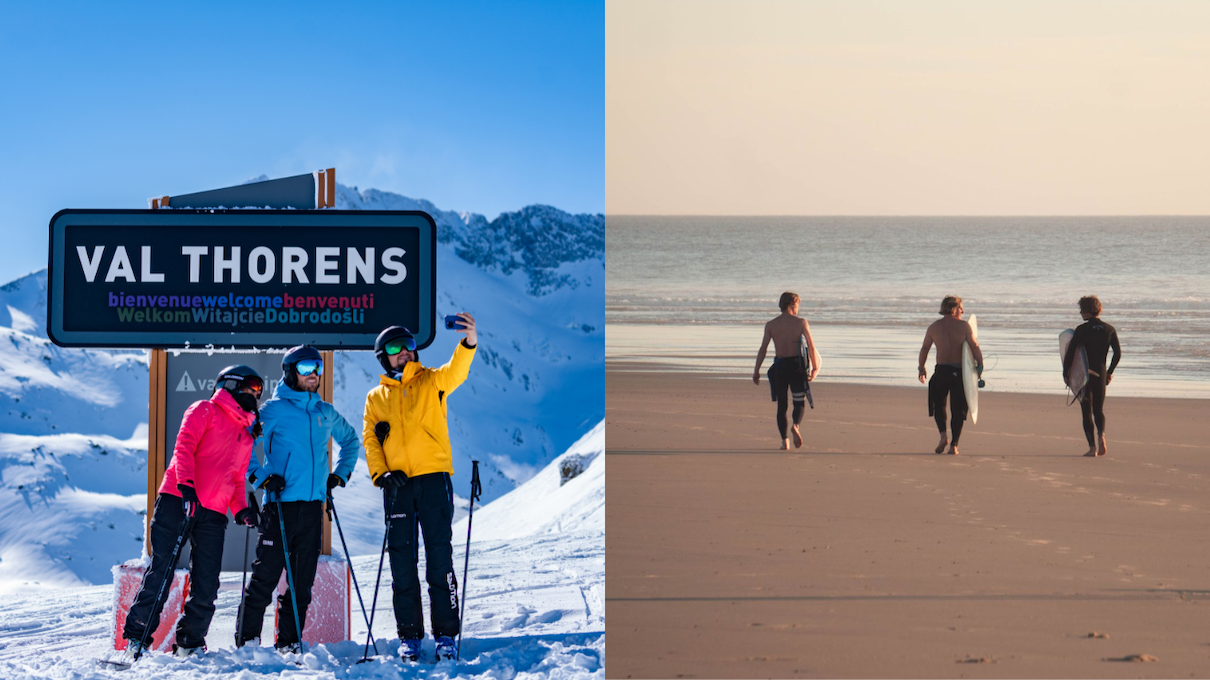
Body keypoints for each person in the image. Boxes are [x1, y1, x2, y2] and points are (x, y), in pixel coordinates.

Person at [122, 365, 263, 659]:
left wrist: (240, 511)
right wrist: (186, 487)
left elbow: (237, 481)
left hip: (212, 513)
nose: (255, 392)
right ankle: (136, 638)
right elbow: (184, 447)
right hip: (179, 499)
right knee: (162, 569)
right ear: (231, 385)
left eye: (259, 389)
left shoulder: (246, 434)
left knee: (207, 582)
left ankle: (190, 643)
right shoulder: (204, 409)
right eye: (251, 385)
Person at [363, 314, 477, 662]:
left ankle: (445, 634)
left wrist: (468, 341)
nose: (405, 352)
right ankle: (409, 636)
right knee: (401, 562)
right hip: (397, 486)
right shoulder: (376, 397)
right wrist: (381, 474)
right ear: (383, 355)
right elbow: (370, 438)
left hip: (433, 480)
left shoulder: (431, 382)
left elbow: (456, 371)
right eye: (396, 348)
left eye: (409, 345)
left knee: (439, 558)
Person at [238, 345, 362, 652]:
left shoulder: (324, 412)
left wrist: (338, 475)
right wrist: (262, 476)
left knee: (301, 585)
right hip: (279, 506)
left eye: (317, 367)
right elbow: (242, 443)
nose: (314, 374)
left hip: (311, 510)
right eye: (306, 368)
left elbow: (351, 442)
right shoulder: (273, 410)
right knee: (265, 579)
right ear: (290, 372)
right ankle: (248, 642)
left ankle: (289, 643)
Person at [753, 292, 820, 450]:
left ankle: (784, 441)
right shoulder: (801, 323)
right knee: (798, 401)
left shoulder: (771, 325)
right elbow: (811, 346)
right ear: (792, 305)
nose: (799, 308)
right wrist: (815, 368)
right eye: (798, 305)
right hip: (797, 367)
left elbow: (763, 349)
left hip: (780, 367)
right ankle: (796, 425)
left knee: (781, 406)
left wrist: (756, 370)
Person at [918, 296, 983, 455]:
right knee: (958, 409)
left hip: (941, 371)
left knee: (939, 405)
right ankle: (954, 445)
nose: (963, 310)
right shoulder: (964, 327)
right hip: (960, 373)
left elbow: (925, 348)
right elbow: (974, 346)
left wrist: (921, 368)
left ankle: (942, 436)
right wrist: (980, 366)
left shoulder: (934, 327)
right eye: (961, 307)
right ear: (955, 308)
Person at [1062, 295, 1121, 457]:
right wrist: (1109, 372)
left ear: (1087, 311)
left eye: (1081, 310)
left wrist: (1066, 373)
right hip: (1100, 373)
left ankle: (1092, 448)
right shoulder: (1109, 329)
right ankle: (1101, 434)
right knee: (1098, 409)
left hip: (1084, 374)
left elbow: (1070, 353)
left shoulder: (1081, 330)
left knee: (1086, 410)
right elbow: (1117, 354)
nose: (1080, 313)